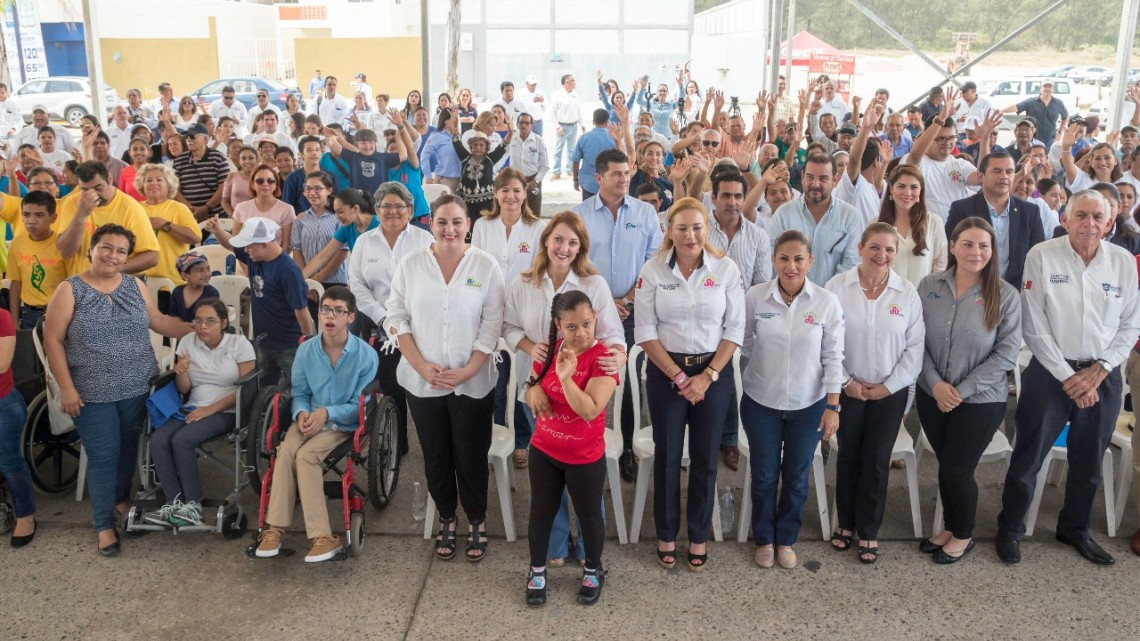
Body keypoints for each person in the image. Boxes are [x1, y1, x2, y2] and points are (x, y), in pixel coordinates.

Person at [997, 190, 1140, 567]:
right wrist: (1068, 377)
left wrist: (1099, 369)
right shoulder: (1042, 256)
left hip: (1103, 376)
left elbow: (1131, 323)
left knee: (1089, 461)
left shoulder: (1122, 262)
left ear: (1109, 224)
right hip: (1049, 373)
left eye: (1098, 217)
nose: (1089, 223)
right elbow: (1033, 325)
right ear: (1065, 219)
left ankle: (1074, 528)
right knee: (1028, 457)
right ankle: (1010, 529)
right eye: (1081, 215)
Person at [43, 224, 191, 555]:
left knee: (127, 449)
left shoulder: (134, 285)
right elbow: (53, 340)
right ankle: (104, 526)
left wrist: (198, 328)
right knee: (103, 455)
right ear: (91, 249)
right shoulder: (70, 289)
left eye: (121, 251)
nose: (113, 255)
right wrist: (67, 389)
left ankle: (121, 499)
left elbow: (159, 322)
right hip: (90, 392)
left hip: (137, 386)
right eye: (106, 247)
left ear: (127, 258)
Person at [385, 194, 504, 562]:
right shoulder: (411, 264)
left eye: (456, 222)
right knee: (436, 456)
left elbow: (492, 323)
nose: (449, 229)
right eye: (442, 221)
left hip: (473, 381)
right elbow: (396, 317)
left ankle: (477, 519)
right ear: (430, 224)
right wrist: (422, 366)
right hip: (423, 382)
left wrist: (469, 370)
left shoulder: (485, 265)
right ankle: (447, 518)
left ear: (468, 224)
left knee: (471, 455)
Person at [502, 212, 626, 564]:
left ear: (580, 247)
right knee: (549, 478)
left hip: (583, 390)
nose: (564, 248)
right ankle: (555, 544)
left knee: (584, 479)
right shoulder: (523, 283)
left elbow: (613, 334)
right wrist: (531, 349)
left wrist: (620, 355)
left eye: (573, 242)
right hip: (538, 388)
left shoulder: (593, 284)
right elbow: (508, 326)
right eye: (558, 239)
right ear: (545, 241)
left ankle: (588, 547)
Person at [635, 197, 744, 571]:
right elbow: (645, 331)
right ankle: (666, 534)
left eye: (697, 227)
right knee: (666, 457)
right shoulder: (653, 271)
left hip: (713, 374)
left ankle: (698, 535)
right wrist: (680, 377)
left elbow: (735, 329)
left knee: (705, 458)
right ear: (669, 231)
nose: (690, 235)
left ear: (707, 229)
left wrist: (707, 376)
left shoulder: (725, 269)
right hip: (667, 374)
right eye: (681, 228)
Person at [913, 217, 1021, 563]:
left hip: (980, 400)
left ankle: (963, 534)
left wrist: (959, 390)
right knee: (946, 464)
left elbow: (1006, 355)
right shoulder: (929, 285)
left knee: (958, 469)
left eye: (984, 245)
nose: (976, 252)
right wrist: (935, 383)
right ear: (953, 246)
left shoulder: (1006, 295)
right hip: (932, 394)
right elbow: (914, 340)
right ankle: (950, 526)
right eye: (968, 244)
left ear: (992, 250)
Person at [741, 229, 844, 569]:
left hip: (808, 405)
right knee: (765, 475)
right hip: (761, 403)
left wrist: (832, 406)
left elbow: (833, 356)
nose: (791, 266)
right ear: (774, 260)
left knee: (797, 477)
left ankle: (786, 539)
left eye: (799, 259)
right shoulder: (756, 297)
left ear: (810, 261)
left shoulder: (826, 302)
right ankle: (764, 538)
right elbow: (743, 340)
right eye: (784, 258)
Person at [825, 222, 925, 564]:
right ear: (860, 248)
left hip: (889, 390)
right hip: (847, 387)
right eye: (875, 247)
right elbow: (826, 342)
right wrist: (845, 382)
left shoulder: (906, 293)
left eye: (889, 249)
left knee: (877, 459)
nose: (882, 255)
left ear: (896, 254)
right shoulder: (837, 288)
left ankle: (868, 529)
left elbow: (915, 349)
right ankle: (846, 522)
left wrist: (888, 387)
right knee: (848, 455)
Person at [254, 286, 378, 562]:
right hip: (308, 419)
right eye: (325, 310)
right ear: (319, 314)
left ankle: (321, 537)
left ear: (350, 317)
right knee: (286, 451)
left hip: (341, 423)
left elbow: (360, 406)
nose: (330, 316)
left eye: (338, 311)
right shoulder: (306, 350)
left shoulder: (365, 355)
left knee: (306, 456)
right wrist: (300, 413)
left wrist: (327, 412)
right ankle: (274, 530)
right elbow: (300, 393)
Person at [522, 290, 619, 606]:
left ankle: (593, 569)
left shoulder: (603, 359)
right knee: (541, 512)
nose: (581, 333)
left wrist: (565, 380)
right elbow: (531, 388)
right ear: (558, 325)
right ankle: (537, 571)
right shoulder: (549, 351)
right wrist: (532, 391)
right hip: (544, 450)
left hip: (584, 456)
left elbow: (590, 409)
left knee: (589, 515)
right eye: (572, 327)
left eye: (587, 324)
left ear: (595, 319)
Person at [572, 148, 664, 482]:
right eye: (616, 174)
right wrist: (603, 302)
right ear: (598, 178)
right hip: (588, 316)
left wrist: (626, 299)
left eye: (626, 173)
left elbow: (655, 263)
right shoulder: (579, 215)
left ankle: (625, 447)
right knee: (583, 379)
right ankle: (584, 445)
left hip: (631, 312)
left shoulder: (645, 213)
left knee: (626, 382)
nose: (624, 179)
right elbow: (573, 263)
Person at [143, 298, 255, 527]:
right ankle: (174, 503)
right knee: (158, 439)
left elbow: (247, 390)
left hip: (228, 409)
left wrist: (210, 409)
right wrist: (181, 372)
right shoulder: (187, 341)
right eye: (198, 321)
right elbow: (184, 389)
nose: (202, 326)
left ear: (223, 323)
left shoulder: (239, 344)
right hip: (193, 406)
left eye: (210, 321)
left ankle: (193, 506)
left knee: (182, 440)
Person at [347, 181, 433, 459]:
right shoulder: (364, 242)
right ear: (377, 210)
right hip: (378, 326)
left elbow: (434, 281)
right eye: (386, 206)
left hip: (418, 326)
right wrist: (383, 317)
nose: (392, 211)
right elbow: (357, 285)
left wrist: (407, 318)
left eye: (399, 206)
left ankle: (432, 444)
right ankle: (398, 442)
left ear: (410, 210)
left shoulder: (424, 240)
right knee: (390, 386)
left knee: (419, 385)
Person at [470, 168, 548, 450]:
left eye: (516, 190)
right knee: (496, 379)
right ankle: (497, 438)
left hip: (523, 314)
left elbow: (540, 271)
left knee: (522, 378)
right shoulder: (483, 226)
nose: (510, 196)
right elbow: (475, 267)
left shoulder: (537, 228)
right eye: (505, 190)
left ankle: (522, 441)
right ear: (496, 193)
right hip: (489, 313)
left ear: (525, 194)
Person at [205, 217, 314, 386]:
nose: (245, 250)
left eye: (249, 246)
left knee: (299, 387)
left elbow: (301, 309)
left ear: (264, 243)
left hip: (289, 345)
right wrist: (218, 231)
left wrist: (307, 342)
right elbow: (230, 245)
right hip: (263, 341)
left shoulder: (288, 270)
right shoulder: (254, 255)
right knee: (262, 387)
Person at [945, 152, 1045, 288]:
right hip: (972, 289)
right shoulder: (962, 209)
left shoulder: (1030, 212)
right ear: (981, 176)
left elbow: (1037, 255)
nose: (1004, 176)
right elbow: (951, 251)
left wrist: (1027, 289)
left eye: (1009, 172)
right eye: (997, 171)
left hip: (1017, 291)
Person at [766, 153, 863, 285]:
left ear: (835, 180)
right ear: (802, 177)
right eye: (810, 177)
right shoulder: (783, 215)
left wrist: (824, 295)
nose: (815, 184)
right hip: (790, 295)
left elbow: (851, 263)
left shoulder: (850, 216)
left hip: (834, 295)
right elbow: (773, 261)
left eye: (823, 178)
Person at [56, 161, 160, 275]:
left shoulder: (130, 207)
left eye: (98, 188)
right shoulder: (73, 202)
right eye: (85, 190)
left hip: (115, 282)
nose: (93, 195)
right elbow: (66, 253)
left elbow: (152, 257)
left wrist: (111, 270)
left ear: (110, 179)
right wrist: (80, 215)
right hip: (80, 280)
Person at [7, 192, 75, 329]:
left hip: (59, 313)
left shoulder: (63, 244)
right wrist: (14, 321)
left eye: (39, 215)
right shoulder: (17, 243)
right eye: (26, 215)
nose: (31, 220)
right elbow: (16, 285)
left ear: (53, 218)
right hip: (28, 314)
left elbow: (73, 285)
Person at [878, 164, 948, 286]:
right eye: (901, 186)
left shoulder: (934, 223)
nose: (907, 193)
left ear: (920, 191)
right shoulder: (876, 225)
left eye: (914, 187)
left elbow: (940, 266)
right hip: (885, 296)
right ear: (891, 188)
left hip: (922, 296)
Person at [0, 305, 35, 547]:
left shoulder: (2, 317)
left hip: (3, 402)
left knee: (9, 462)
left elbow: (2, 364)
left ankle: (26, 515)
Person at [136, 164, 202, 290]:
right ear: (142, 186)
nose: (153, 183)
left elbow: (195, 237)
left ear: (169, 184)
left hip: (174, 281)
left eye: (159, 180)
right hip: (140, 281)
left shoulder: (179, 208)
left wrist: (165, 225)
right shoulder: (135, 208)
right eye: (148, 180)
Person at [300, 187, 380, 283]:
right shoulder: (346, 228)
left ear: (355, 208)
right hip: (362, 279)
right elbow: (322, 256)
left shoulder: (380, 224)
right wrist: (299, 279)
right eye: (336, 212)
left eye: (340, 212)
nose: (337, 217)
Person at [290, 172, 346, 288]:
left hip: (334, 282)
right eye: (308, 189)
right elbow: (297, 251)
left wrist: (318, 278)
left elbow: (342, 252)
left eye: (317, 189)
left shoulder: (339, 217)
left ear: (329, 190)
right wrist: (307, 281)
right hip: (306, 282)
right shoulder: (300, 219)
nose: (312, 193)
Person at [224, 164, 295, 248]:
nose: (265, 184)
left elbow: (286, 246)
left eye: (270, 181)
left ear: (276, 185)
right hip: (246, 255)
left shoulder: (287, 210)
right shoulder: (241, 208)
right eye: (260, 181)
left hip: (277, 256)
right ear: (252, 185)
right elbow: (236, 243)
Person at [453, 123, 512, 223]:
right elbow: (457, 143)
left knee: (487, 226)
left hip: (487, 204)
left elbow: (503, 146)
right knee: (470, 227)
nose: (478, 147)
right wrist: (455, 131)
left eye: (481, 145)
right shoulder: (464, 157)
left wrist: (510, 132)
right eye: (475, 145)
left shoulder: (490, 159)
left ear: (486, 147)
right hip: (468, 204)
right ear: (471, 146)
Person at [325, 126, 405, 197]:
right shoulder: (353, 157)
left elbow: (403, 155)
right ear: (357, 145)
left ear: (376, 144)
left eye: (371, 142)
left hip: (379, 200)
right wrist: (333, 136)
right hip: (358, 200)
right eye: (363, 143)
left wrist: (398, 137)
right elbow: (333, 144)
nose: (367, 146)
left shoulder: (384, 158)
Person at [571, 109, 617, 200]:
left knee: (588, 208)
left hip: (588, 183)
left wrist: (575, 179)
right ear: (607, 122)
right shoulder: (614, 139)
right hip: (608, 183)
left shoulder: (584, 137)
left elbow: (575, 161)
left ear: (593, 122)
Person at [167, 253, 219, 323]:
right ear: (185, 276)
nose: (207, 274)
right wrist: (181, 327)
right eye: (200, 271)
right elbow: (174, 316)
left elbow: (208, 320)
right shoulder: (177, 292)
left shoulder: (212, 293)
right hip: (179, 328)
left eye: (208, 269)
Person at [549, 74, 582, 181]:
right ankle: (556, 172)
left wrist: (582, 124)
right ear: (566, 83)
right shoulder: (557, 95)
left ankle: (570, 170)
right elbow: (552, 113)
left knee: (571, 150)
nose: (574, 82)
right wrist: (557, 127)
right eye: (572, 81)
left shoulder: (576, 95)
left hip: (573, 126)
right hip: (562, 127)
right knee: (558, 150)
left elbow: (578, 111)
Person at [421, 108, 463, 192]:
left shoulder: (459, 137)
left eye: (457, 118)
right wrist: (428, 177)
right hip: (444, 180)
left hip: (461, 180)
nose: (456, 121)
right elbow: (424, 155)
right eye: (454, 118)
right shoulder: (436, 136)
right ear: (445, 120)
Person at [221, 145, 258, 217]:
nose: (247, 161)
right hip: (234, 218)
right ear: (239, 161)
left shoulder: (262, 178)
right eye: (243, 158)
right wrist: (233, 215)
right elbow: (224, 201)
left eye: (251, 158)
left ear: (256, 160)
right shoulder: (232, 176)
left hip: (255, 218)